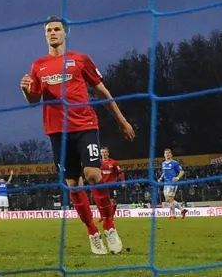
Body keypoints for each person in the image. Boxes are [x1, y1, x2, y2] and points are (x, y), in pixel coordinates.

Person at [20, 16, 135, 255]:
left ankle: (110, 226)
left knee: (93, 174)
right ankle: (93, 232)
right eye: (49, 30)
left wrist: (122, 121)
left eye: (57, 29)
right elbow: (34, 99)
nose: (52, 33)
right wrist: (25, 90)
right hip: (57, 131)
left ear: (65, 33)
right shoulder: (37, 66)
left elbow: (102, 90)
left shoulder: (80, 60)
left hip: (85, 126)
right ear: (45, 35)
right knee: (73, 184)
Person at [159, 148, 185, 220]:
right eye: (166, 153)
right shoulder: (163, 163)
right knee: (167, 200)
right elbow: (164, 172)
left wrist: (177, 178)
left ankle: (173, 215)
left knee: (170, 198)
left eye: (169, 153)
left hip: (172, 183)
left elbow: (182, 171)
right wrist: (161, 178)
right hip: (166, 183)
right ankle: (182, 210)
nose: (167, 154)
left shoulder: (174, 163)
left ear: (171, 154)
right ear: (164, 155)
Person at [100, 146, 125, 217]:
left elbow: (121, 172)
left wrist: (123, 182)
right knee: (103, 202)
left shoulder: (113, 162)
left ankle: (112, 216)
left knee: (113, 200)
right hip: (102, 185)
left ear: (108, 153)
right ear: (100, 153)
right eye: (102, 152)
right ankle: (104, 216)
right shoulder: (98, 163)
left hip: (112, 185)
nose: (104, 154)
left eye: (105, 152)